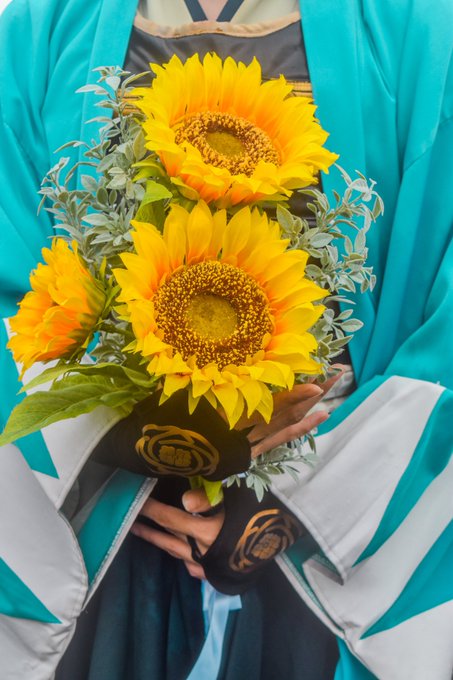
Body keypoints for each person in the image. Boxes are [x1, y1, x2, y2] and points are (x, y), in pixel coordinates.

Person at [0, 0, 452, 679]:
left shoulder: (417, 31)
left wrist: (295, 506)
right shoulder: (39, 33)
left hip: (338, 537)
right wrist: (113, 433)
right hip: (101, 527)